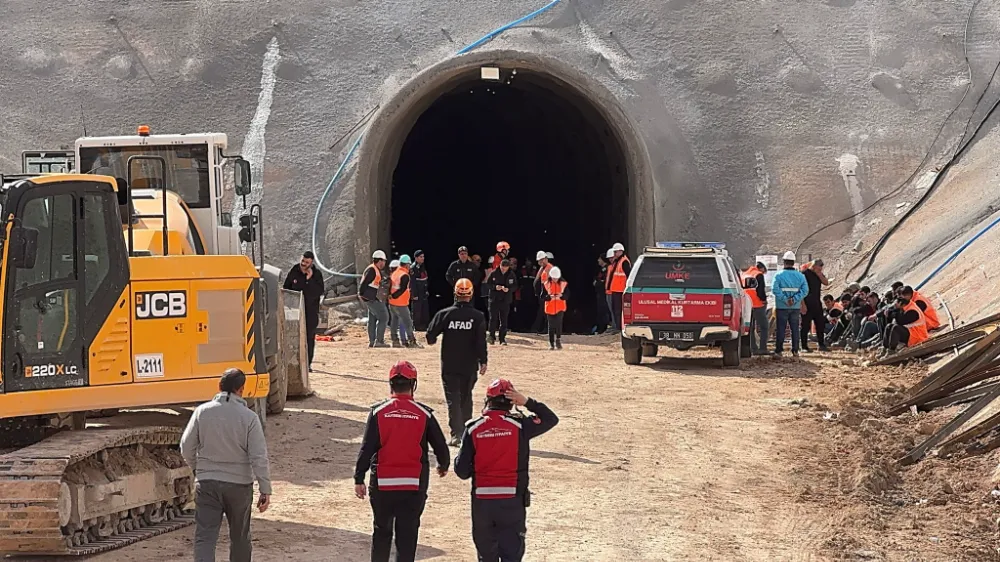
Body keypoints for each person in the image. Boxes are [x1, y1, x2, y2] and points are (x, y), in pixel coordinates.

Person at [354, 361, 450, 562]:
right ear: (413, 384)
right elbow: (441, 446)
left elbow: (367, 448)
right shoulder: (425, 414)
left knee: (381, 531)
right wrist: (443, 465)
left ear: (390, 384)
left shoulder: (377, 413)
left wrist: (358, 478)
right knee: (407, 536)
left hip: (382, 485)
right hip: (413, 485)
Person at [454, 379, 559, 562]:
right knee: (512, 556)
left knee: (487, 557)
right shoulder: (520, 426)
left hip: (482, 503)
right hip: (512, 502)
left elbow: (461, 471)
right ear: (511, 402)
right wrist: (527, 402)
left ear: (488, 400)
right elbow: (551, 418)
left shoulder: (473, 428)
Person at [181, 368, 271, 562]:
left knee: (205, 536)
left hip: (207, 483)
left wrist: (198, 469)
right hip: (239, 487)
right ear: (241, 389)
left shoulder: (201, 412)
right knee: (240, 537)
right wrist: (265, 489)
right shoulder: (249, 418)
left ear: (219, 387)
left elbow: (186, 446)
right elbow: (259, 457)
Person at [427, 279, 488, 446]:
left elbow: (430, 336)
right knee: (466, 397)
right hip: (469, 366)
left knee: (453, 399)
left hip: (450, 365)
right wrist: (483, 361)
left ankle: (456, 434)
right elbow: (480, 342)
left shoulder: (445, 314)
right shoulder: (478, 317)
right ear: (471, 294)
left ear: (455, 293)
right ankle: (467, 433)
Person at [283, 250, 325, 370]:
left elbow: (318, 292)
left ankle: (307, 364)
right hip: (294, 312)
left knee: (309, 338)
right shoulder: (294, 271)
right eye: (302, 261)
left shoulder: (316, 275)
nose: (303, 264)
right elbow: (286, 288)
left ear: (311, 264)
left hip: (310, 312)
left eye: (306, 262)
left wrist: (309, 280)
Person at [772, 251, 809, 357]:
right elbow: (805, 290)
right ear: (793, 262)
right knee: (795, 329)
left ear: (784, 262)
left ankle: (779, 350)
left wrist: (785, 299)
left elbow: (775, 289)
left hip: (782, 307)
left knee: (781, 329)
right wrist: (794, 299)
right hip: (795, 307)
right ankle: (795, 350)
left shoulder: (778, 275)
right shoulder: (800, 276)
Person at [880, 286, 929, 358]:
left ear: (902, 304)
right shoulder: (907, 306)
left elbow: (900, 321)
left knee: (896, 328)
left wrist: (894, 312)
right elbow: (896, 314)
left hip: (918, 336)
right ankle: (885, 348)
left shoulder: (912, 311)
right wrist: (891, 312)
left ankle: (891, 351)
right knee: (889, 326)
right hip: (912, 332)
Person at [359, 251, 390, 348]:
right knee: (384, 317)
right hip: (370, 299)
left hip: (370, 298)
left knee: (372, 319)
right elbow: (364, 284)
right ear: (379, 261)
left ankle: (372, 341)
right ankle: (379, 341)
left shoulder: (374, 269)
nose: (384, 263)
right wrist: (362, 294)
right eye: (383, 261)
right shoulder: (372, 270)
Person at [389, 255, 421, 348]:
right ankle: (412, 342)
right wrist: (394, 296)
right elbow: (402, 289)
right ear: (407, 264)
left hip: (392, 303)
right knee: (408, 322)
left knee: (394, 322)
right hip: (401, 303)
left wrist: (391, 297)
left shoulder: (395, 273)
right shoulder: (404, 275)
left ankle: (395, 340)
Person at [799, 259, 830, 352]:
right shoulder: (805, 274)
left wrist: (819, 274)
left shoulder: (819, 274)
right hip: (807, 302)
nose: (820, 269)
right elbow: (800, 290)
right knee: (805, 325)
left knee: (820, 324)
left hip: (816, 302)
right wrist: (802, 304)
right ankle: (804, 346)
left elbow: (826, 282)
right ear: (814, 266)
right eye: (819, 267)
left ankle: (821, 344)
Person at [487, 258, 518, 345]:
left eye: (505, 267)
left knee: (504, 320)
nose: (503, 269)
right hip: (494, 299)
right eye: (502, 267)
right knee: (493, 319)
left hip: (505, 300)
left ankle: (502, 339)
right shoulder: (494, 273)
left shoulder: (511, 274)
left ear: (508, 267)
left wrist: (508, 289)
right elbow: (488, 284)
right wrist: (495, 287)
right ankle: (491, 337)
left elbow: (515, 286)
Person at [742, 262, 769, 355]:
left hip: (746, 305)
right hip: (758, 305)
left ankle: (753, 348)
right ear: (761, 269)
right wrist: (764, 300)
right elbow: (760, 291)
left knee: (750, 328)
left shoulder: (744, 274)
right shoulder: (758, 275)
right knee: (764, 326)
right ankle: (763, 348)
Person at [542, 266, 568, 350]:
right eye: (554, 278)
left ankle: (558, 340)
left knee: (559, 324)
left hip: (560, 307)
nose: (555, 280)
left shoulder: (563, 283)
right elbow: (542, 296)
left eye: (557, 278)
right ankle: (551, 343)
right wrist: (549, 297)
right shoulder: (546, 284)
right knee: (551, 326)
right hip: (550, 307)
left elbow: (568, 295)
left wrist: (562, 296)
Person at [606, 242, 631, 331]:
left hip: (620, 290)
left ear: (621, 251)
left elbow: (628, 275)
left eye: (616, 252)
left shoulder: (624, 262)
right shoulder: (618, 262)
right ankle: (617, 327)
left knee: (619, 310)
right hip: (616, 290)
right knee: (615, 310)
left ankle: (619, 328)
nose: (615, 254)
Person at [531, 251, 553, 334]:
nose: (540, 262)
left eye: (542, 260)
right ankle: (542, 328)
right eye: (539, 261)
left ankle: (547, 329)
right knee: (543, 312)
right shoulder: (543, 268)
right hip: (542, 293)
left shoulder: (549, 268)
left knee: (546, 312)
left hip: (547, 294)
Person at [410, 250, 430, 331]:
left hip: (423, 292)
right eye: (421, 257)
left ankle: (424, 325)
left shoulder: (422, 266)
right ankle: (416, 326)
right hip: (417, 292)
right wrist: (414, 295)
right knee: (416, 311)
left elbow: (425, 279)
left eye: (423, 257)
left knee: (424, 310)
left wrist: (426, 290)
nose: (423, 258)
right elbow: (412, 282)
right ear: (416, 258)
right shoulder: (413, 268)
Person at [594, 254, 611, 334]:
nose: (598, 260)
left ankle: (604, 328)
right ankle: (600, 328)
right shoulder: (602, 270)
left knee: (605, 311)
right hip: (600, 293)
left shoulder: (607, 269)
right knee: (601, 311)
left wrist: (598, 283)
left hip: (605, 293)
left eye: (599, 259)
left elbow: (603, 282)